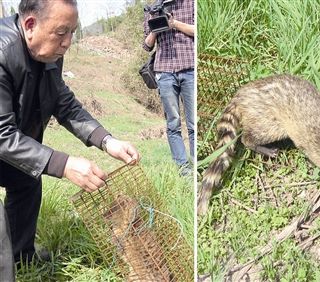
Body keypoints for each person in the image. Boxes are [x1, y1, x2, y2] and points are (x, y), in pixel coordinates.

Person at [0, 0, 140, 265]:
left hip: (9, 145)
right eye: (62, 32)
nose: (68, 42)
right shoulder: (2, 52)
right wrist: (63, 164)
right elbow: (1, 134)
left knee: (27, 178)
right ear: (30, 25)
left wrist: (107, 141)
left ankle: (22, 257)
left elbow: (63, 102)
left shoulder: (49, 53)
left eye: (73, 32)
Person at [143, 0, 194, 176]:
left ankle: (197, 164)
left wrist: (174, 24)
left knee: (193, 122)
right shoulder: (152, 8)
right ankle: (184, 170)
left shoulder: (190, 3)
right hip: (164, 71)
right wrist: (155, 30)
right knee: (173, 123)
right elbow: (146, 45)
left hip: (189, 67)